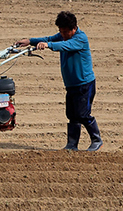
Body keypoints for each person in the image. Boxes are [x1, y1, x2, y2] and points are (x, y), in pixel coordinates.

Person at [16, 11, 102, 151]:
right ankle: (72, 145)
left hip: (84, 84)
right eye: (61, 31)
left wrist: (48, 45)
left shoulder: (80, 38)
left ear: (74, 28)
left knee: (82, 114)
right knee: (71, 115)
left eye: (65, 32)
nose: (62, 34)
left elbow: (64, 45)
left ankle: (96, 140)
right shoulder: (63, 36)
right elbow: (50, 38)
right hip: (71, 84)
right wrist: (30, 41)